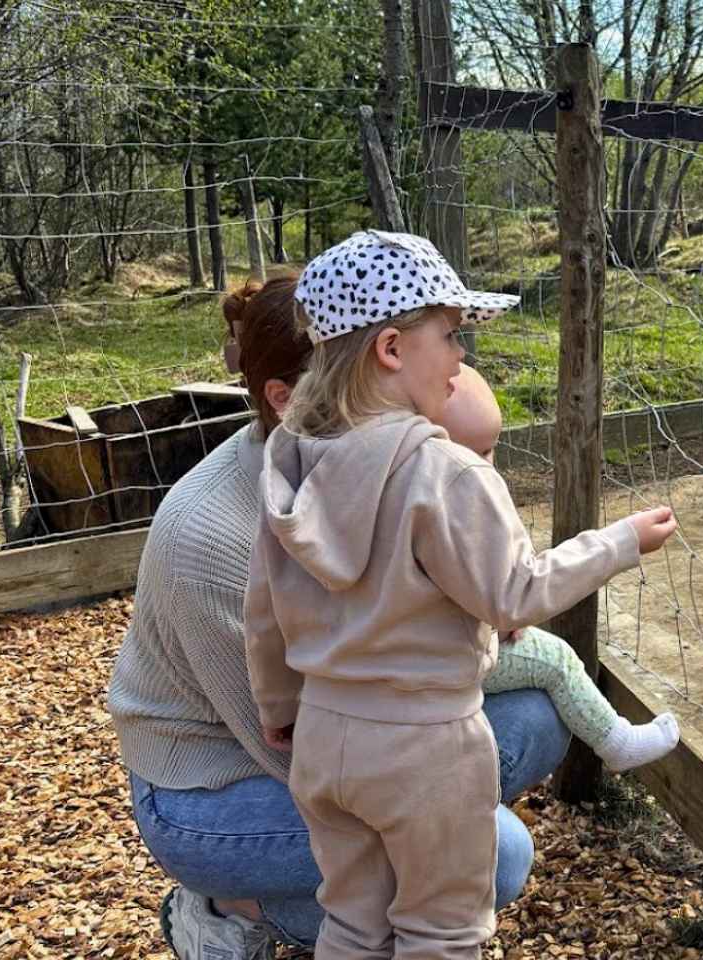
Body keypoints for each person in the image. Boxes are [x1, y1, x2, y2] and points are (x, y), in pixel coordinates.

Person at [106, 271, 578, 959]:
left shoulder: (373, 465)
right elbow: (287, 740)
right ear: (287, 398)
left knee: (537, 715)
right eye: (369, 366)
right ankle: (227, 906)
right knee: (496, 856)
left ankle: (392, 874)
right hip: (212, 784)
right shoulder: (209, 534)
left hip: (351, 726)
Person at [244, 229, 679, 958]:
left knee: (353, 921)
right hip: (424, 745)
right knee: (441, 931)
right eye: (449, 335)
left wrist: (279, 707)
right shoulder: (444, 471)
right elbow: (514, 592)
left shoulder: (292, 461)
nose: (460, 357)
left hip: (324, 737)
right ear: (391, 348)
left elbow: (264, 610)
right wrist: (621, 541)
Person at [443, 364, 681, 771]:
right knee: (556, 658)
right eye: (478, 453)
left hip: (403, 667)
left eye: (493, 449)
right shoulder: (452, 506)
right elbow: (520, 589)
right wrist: (625, 541)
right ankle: (618, 743)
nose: (490, 466)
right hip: (445, 659)